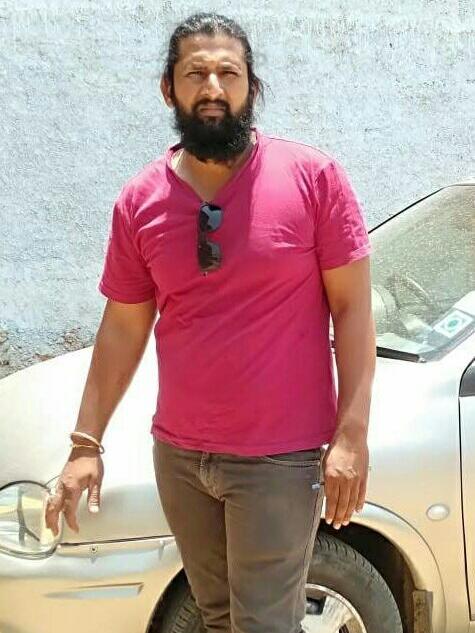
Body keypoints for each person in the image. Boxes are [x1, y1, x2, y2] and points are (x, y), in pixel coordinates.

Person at [45, 12, 376, 633]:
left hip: (278, 458)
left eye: (229, 73)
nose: (213, 88)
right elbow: (123, 327)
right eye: (196, 73)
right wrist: (86, 443)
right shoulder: (140, 201)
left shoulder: (312, 179)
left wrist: (351, 437)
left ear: (253, 87)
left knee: (264, 624)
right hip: (179, 457)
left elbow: (354, 309)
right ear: (168, 88)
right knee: (217, 619)